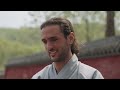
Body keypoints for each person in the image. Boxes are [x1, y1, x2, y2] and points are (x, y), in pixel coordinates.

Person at [32, 17, 104, 79]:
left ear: (70, 38)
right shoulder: (39, 77)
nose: (49, 47)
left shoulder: (91, 76)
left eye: (54, 39)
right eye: (45, 42)